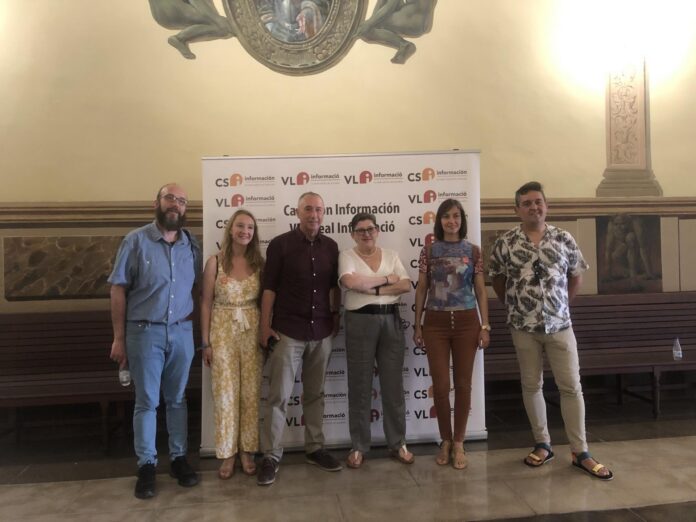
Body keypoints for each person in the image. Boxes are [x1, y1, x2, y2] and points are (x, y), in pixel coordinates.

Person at [488, 181, 613, 480]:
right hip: (523, 327)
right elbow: (498, 281)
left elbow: (576, 277)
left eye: (538, 202)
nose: (534, 207)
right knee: (532, 386)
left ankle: (580, 451)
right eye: (527, 203)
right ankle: (542, 444)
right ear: (517, 209)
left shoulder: (564, 238)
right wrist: (518, 306)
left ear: (546, 206)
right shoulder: (505, 242)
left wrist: (560, 306)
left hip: (560, 326)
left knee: (571, 387)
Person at [108, 183, 202, 499]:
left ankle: (178, 459)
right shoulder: (135, 241)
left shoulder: (191, 245)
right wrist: (118, 338)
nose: (176, 204)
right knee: (147, 400)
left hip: (181, 332)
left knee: (177, 398)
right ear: (157, 203)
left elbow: (199, 290)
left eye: (182, 201)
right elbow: (118, 289)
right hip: (144, 333)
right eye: (170, 198)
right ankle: (147, 465)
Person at [257, 191, 342, 486]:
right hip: (287, 331)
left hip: (321, 332)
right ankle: (270, 456)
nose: (313, 214)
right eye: (308, 209)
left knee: (315, 394)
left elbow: (334, 288)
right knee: (278, 396)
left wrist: (336, 316)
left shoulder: (331, 247)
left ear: (324, 213)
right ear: (297, 212)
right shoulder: (280, 245)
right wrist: (264, 326)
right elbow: (269, 288)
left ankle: (315, 448)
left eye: (318, 209)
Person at [412, 198, 490, 470]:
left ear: (462, 220)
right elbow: (422, 288)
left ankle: (459, 442)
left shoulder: (474, 251)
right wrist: (417, 325)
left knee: (464, 384)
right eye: (446, 216)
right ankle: (445, 439)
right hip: (435, 323)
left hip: (468, 322)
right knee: (442, 385)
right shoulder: (429, 251)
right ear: (439, 220)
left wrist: (485, 326)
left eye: (456, 216)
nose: (451, 221)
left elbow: (480, 290)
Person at [339, 213, 413, 469]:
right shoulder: (347, 256)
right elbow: (350, 282)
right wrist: (386, 279)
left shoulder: (391, 255)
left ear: (378, 231)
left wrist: (373, 289)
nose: (366, 234)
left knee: (393, 386)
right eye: (360, 230)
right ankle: (358, 446)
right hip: (359, 321)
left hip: (391, 320)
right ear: (352, 234)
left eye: (370, 229)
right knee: (360, 385)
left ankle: (398, 443)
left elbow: (405, 285)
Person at [200, 209, 264, 480]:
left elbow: (265, 301)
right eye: (240, 226)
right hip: (222, 332)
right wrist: (205, 342)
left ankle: (247, 450)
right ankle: (227, 453)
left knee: (250, 393)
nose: (245, 231)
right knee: (225, 394)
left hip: (251, 331)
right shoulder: (214, 262)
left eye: (250, 227)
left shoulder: (260, 263)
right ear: (230, 229)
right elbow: (205, 303)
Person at [355, 0, 437, 64]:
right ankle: (404, 45)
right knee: (373, 22)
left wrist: (369, 23)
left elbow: (389, 7)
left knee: (367, 30)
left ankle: (403, 44)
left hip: (408, 20)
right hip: (424, 23)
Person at [148, 0, 234, 59]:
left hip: (161, 14)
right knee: (223, 27)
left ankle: (181, 38)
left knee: (222, 27)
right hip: (174, 9)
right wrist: (216, 19)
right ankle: (180, 38)